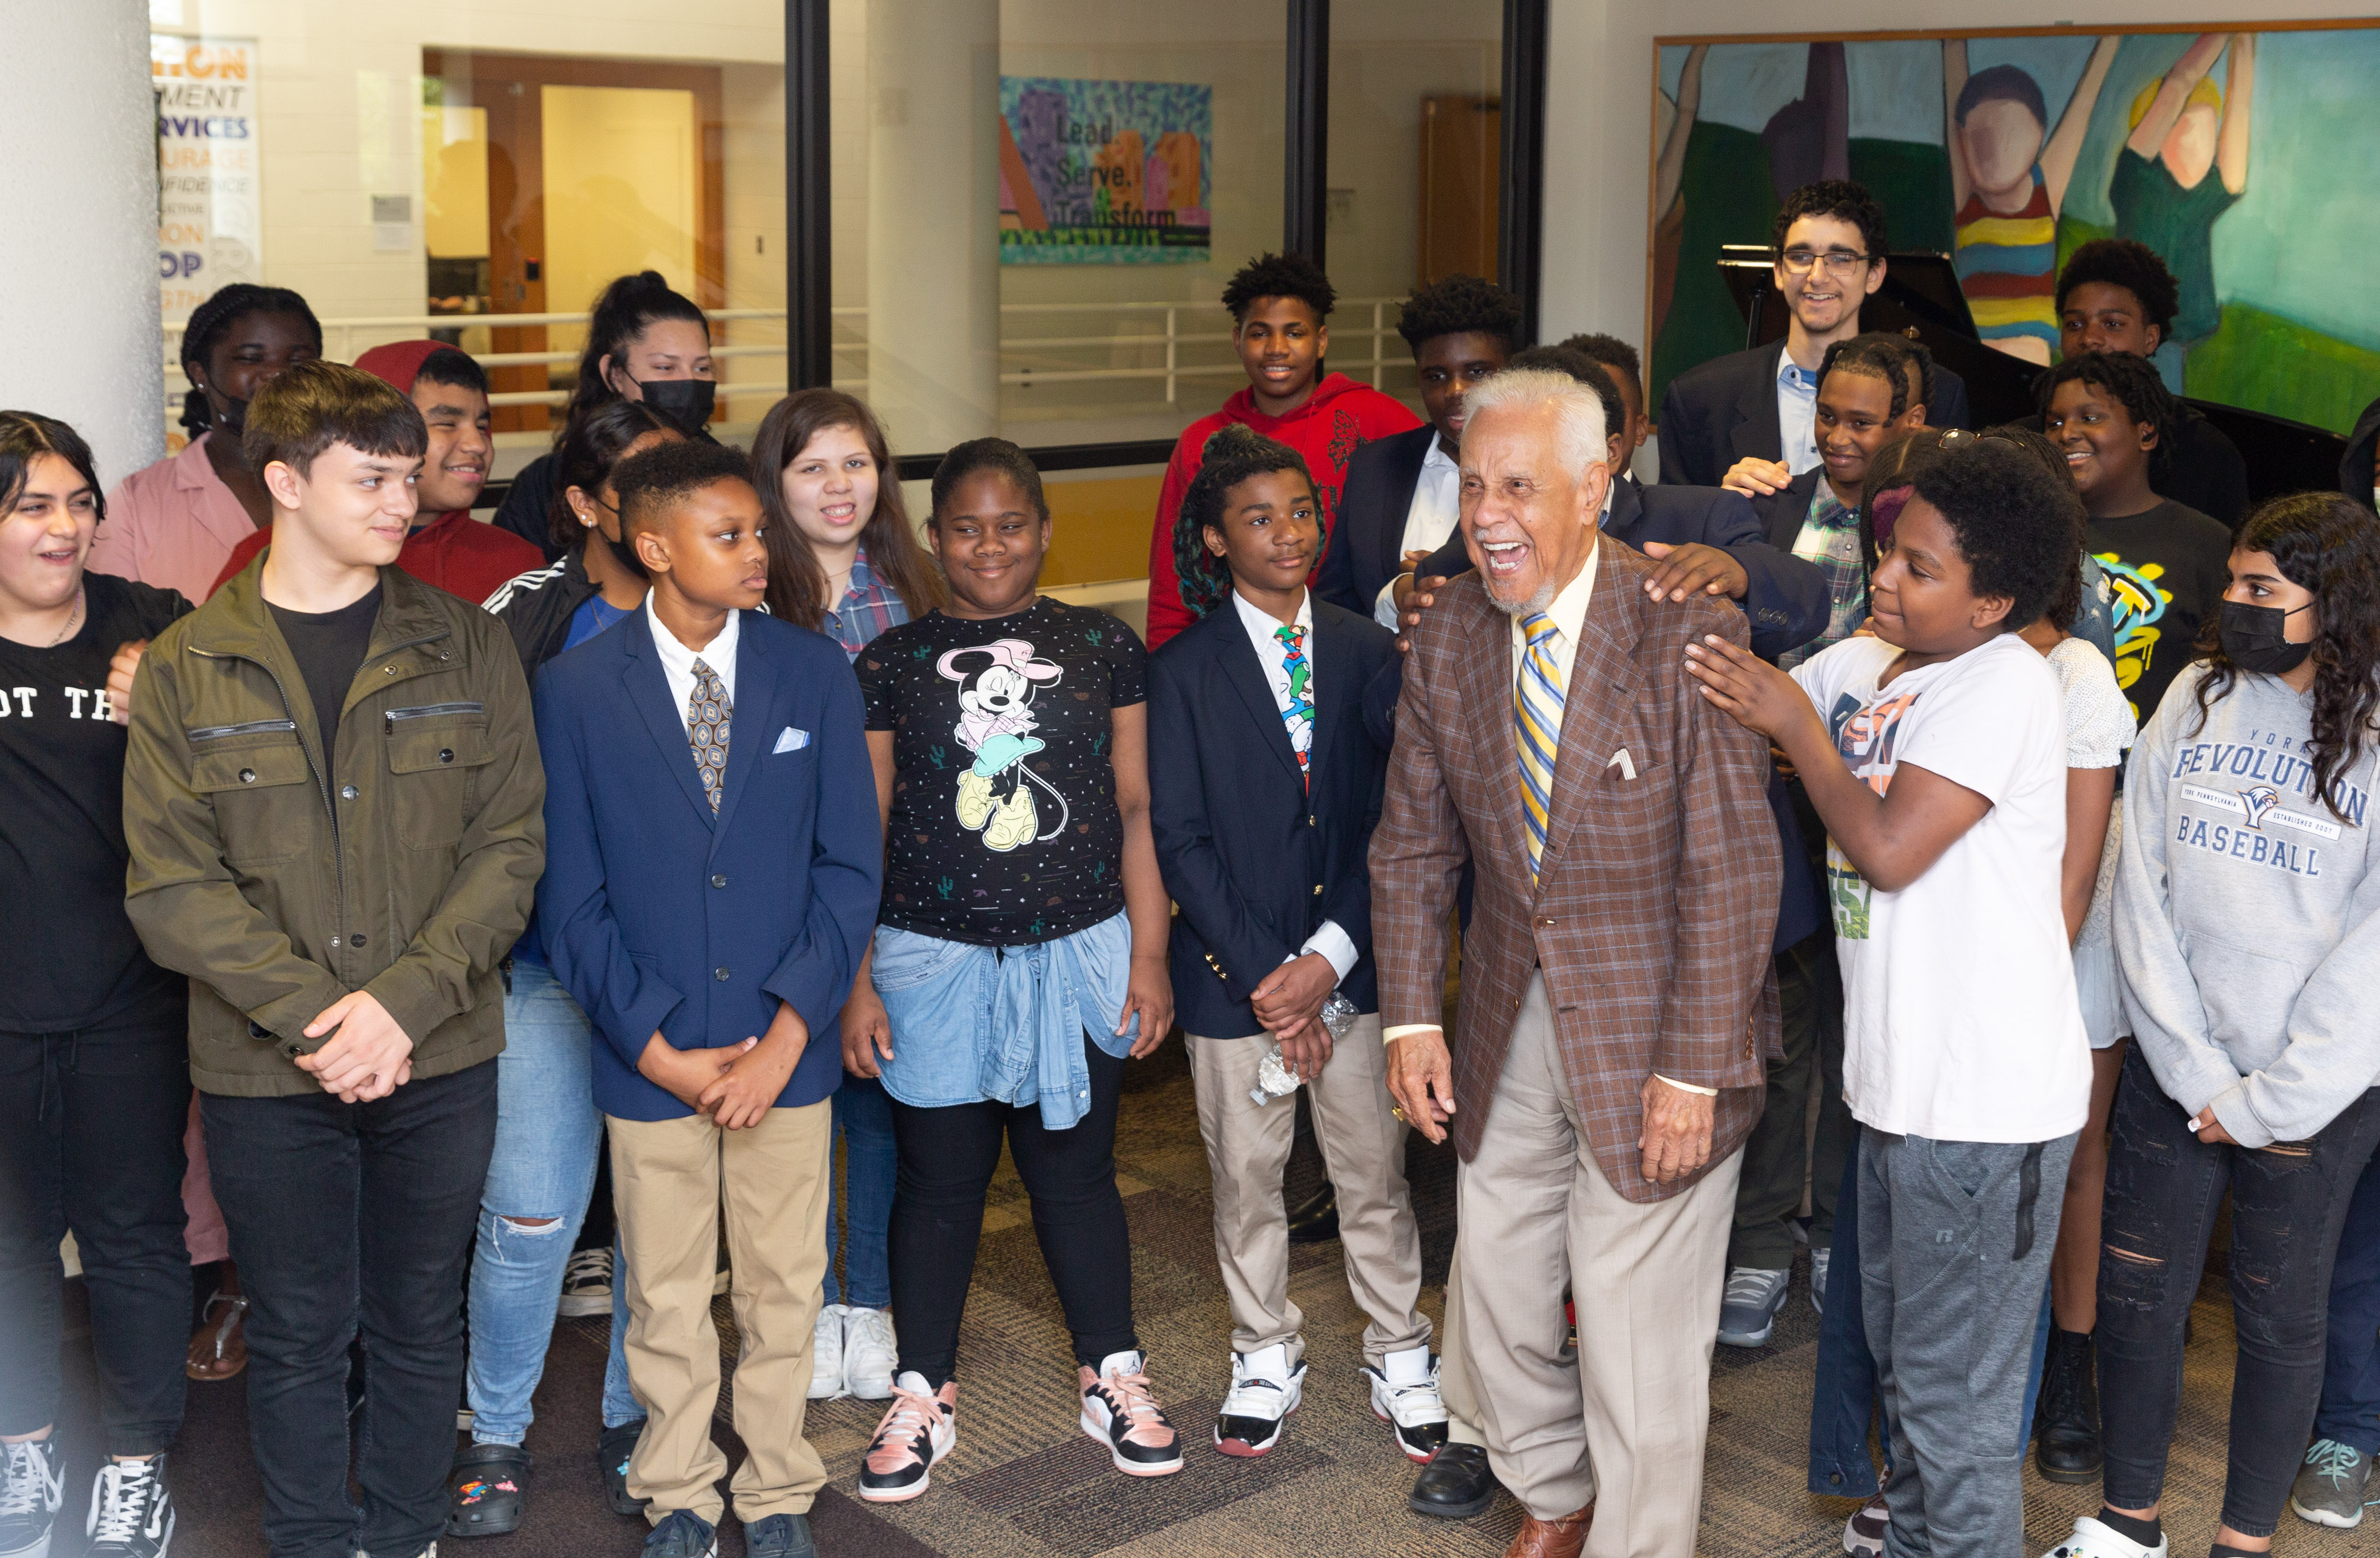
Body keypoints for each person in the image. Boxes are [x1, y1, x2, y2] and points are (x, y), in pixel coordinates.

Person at [119, 360, 545, 1558]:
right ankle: (312, 1537)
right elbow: (172, 887)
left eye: (409, 476)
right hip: (267, 1068)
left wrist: (398, 1008)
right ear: (286, 481)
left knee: (417, 1320)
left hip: (441, 1048)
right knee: (302, 1329)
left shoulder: (468, 641)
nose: (401, 500)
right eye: (372, 477)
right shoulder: (192, 663)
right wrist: (329, 1017)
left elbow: (511, 843)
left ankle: (404, 1529)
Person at [1373, 367, 1782, 1558]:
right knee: (1492, 1289)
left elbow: (1733, 867)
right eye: (1474, 485)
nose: (1488, 513)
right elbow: (1409, 840)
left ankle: (1638, 1540)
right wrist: (1410, 1016)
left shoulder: (1685, 628)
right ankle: (1557, 1482)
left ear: (1596, 487)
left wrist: (1697, 1068)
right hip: (1511, 1007)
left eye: (1521, 485)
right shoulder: (1447, 630)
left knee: (1629, 1312)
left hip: (1668, 1023)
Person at [1687, 437, 2091, 1558]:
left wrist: (1797, 732)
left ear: (1993, 601)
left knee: (1958, 1412)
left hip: (1984, 1105)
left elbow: (1888, 845)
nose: (1887, 579)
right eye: (1889, 556)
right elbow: (1744, 694)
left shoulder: (2004, 683)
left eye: (1920, 569)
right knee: (1908, 1368)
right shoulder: (1876, 664)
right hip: (1900, 1092)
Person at [536, 437, 879, 1558]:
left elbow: (847, 869)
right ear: (653, 545)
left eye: (755, 530)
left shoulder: (812, 669)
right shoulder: (576, 689)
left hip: (789, 1047)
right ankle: (678, 1484)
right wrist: (658, 1046)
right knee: (668, 1290)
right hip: (654, 1055)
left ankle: (777, 1486)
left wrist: (788, 1034)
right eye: (727, 533)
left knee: (786, 1284)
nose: (755, 550)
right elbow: (569, 895)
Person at [846, 439, 1179, 1501]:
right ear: (933, 536)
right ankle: (923, 1386)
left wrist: (1153, 954)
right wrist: (856, 980)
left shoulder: (1102, 646)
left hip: (1080, 952)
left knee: (1074, 1179)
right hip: (928, 960)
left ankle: (1111, 1369)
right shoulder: (891, 663)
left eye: (1010, 524)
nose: (988, 545)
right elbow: (867, 830)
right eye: (964, 527)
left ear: (1043, 530)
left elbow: (1133, 806)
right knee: (938, 1184)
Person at [2054, 492, 2380, 1558]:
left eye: (2260, 591)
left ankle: (2242, 1539)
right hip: (2174, 1070)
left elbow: (2370, 956)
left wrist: (2269, 1097)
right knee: (2141, 1293)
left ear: (2331, 604)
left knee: (2280, 1316)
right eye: (2233, 582)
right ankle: (2127, 1520)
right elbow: (2136, 886)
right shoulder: (2195, 690)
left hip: (2312, 1089)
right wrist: (2193, 1070)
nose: (2232, 605)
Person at [1148, 425, 1445, 1463]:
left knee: (1373, 1170)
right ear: (1216, 540)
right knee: (1247, 1175)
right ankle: (1263, 1344)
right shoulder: (1178, 670)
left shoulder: (1371, 652)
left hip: (1352, 968)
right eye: (1257, 518)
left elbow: (1399, 824)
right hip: (1234, 979)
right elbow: (1178, 840)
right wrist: (1274, 981)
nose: (1287, 533)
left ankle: (1399, 1343)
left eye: (1301, 512)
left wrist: (1324, 962)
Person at [448, 399, 686, 1540]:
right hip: (546, 967)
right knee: (532, 1214)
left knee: (657, 1219)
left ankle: (634, 1417)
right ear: (587, 504)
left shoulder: (719, 608)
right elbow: (469, 793)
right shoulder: (531, 616)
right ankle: (492, 1426)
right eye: (637, 485)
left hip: (679, 976)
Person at [0, 414, 195, 1558]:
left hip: (131, 1000)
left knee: (131, 1238)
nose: (65, 526)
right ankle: (23, 1443)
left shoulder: (153, 625)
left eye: (78, 501)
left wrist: (164, 692)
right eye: (32, 504)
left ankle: (134, 1462)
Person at [749, 388, 945, 1408]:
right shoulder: (750, 592)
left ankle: (865, 1304)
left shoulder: (915, 588)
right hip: (783, 883)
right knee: (795, 1102)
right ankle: (805, 1302)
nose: (838, 485)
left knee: (874, 1100)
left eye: (856, 463)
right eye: (812, 466)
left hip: (899, 880)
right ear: (775, 482)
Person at [1142, 252, 1422, 649]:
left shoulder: (1375, 419)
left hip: (1360, 647)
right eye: (1259, 333)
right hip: (1237, 654)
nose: (1276, 348)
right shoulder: (1202, 443)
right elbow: (1174, 581)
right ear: (1237, 341)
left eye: (1294, 333)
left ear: (1321, 341)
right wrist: (1165, 667)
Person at [1659, 181, 1968, 494]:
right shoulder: (1698, 398)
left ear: (1874, 274)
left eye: (1841, 259)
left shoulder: (1938, 394)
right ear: (1778, 270)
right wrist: (1716, 508)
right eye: (1801, 256)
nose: (1817, 277)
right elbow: (1672, 535)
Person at [210, 343, 541, 604]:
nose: (477, 444)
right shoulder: (262, 564)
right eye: (447, 424)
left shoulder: (517, 564)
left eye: (483, 426)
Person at [1314, 273, 1520, 628]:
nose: (1456, 390)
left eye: (1476, 372)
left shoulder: (1535, 480)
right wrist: (1392, 600)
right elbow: (1334, 604)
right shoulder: (1373, 465)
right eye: (1436, 376)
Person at [94, 284, 323, 602]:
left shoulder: (351, 483)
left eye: (298, 361)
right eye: (251, 358)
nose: (277, 374)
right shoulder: (138, 503)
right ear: (200, 374)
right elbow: (109, 625)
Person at [2041, 350, 2233, 727]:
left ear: (2146, 433)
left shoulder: (2207, 543)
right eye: (2054, 422)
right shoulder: (2028, 530)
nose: (2066, 434)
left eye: (2090, 417)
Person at [1732, 334, 1926, 673]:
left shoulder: (1924, 528)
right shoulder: (1769, 505)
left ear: (1913, 423)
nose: (1837, 439)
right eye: (1827, 416)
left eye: (1861, 423)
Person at [492, 272, 717, 561]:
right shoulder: (545, 485)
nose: (688, 383)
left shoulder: (729, 476)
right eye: (665, 368)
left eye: (702, 368)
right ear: (614, 374)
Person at [1943, 39, 2119, 364]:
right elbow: (1955, 80)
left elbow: (2084, 102)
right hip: (1973, 347)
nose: (1997, 153)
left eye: (2013, 137)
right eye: (1981, 139)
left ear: (2039, 137)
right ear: (1962, 140)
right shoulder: (1968, 191)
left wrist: (2110, 39)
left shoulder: (2045, 187)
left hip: (2030, 351)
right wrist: (1951, 42)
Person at [2054, 239, 2250, 529]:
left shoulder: (2207, 455)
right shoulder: (2026, 438)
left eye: (2112, 324)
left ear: (2150, 338)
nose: (2089, 339)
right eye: (2075, 324)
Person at [2112, 34, 2254, 360]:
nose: (2201, 146)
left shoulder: (2204, 197)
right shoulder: (2136, 180)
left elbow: (2240, 107)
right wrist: (2228, 26)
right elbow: (2180, 83)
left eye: (2209, 131)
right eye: (2187, 129)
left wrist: (2245, 38)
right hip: (2129, 334)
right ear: (2158, 135)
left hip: (2180, 341)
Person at [1559, 333, 1654, 477]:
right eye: (1574, 411)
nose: (1591, 426)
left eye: (1609, 409)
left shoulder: (1657, 501)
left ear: (1640, 430)